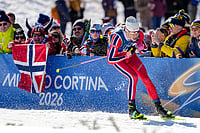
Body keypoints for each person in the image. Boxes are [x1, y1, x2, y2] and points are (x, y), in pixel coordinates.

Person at [107, 16, 174, 119]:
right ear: (126, 30)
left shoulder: (140, 34)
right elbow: (110, 59)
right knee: (133, 77)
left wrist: (141, 47)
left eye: (136, 32)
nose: (135, 35)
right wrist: (125, 55)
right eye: (132, 33)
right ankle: (132, 110)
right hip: (118, 59)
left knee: (145, 78)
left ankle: (159, 108)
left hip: (130, 56)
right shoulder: (117, 37)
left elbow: (142, 51)